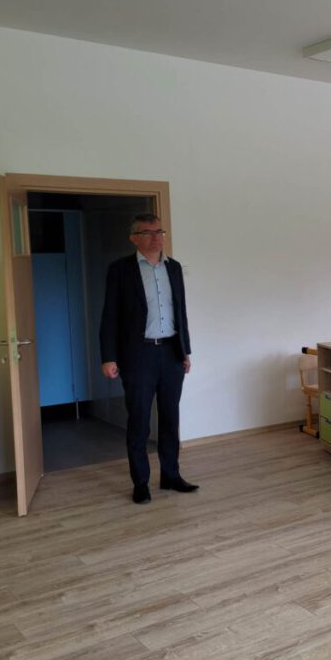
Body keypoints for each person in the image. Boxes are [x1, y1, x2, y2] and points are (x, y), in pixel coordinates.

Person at [100, 214, 197, 504]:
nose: (156, 237)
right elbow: (109, 316)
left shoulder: (174, 268)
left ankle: (170, 475)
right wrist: (108, 357)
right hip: (138, 354)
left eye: (159, 232)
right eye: (148, 232)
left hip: (171, 352)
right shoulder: (120, 270)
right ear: (134, 238)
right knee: (139, 419)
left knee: (170, 418)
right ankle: (140, 483)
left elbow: (180, 311)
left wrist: (185, 351)